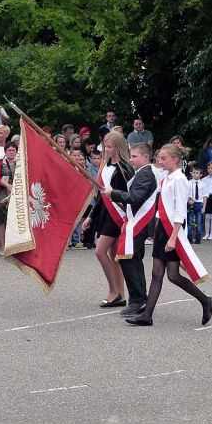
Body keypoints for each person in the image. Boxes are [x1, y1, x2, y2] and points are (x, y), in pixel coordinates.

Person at [125, 144, 212, 327]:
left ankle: (206, 300)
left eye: (164, 158)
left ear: (175, 160)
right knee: (157, 273)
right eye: (159, 158)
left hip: (172, 229)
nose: (160, 161)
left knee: (173, 275)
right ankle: (146, 316)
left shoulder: (180, 179)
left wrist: (173, 237)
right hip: (162, 229)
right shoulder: (167, 177)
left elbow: (180, 210)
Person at [102, 142, 157, 317]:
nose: (131, 159)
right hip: (135, 222)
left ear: (145, 157)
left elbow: (135, 197)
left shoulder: (146, 174)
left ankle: (137, 299)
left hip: (139, 223)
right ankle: (138, 298)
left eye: (134, 156)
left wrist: (114, 193)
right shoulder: (141, 173)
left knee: (130, 260)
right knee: (132, 261)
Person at [82, 132, 133, 310]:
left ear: (118, 147)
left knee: (100, 251)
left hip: (118, 214)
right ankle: (121, 295)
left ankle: (114, 291)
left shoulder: (126, 168)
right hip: (105, 213)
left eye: (109, 146)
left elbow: (129, 195)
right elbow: (100, 196)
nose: (106, 149)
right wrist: (91, 216)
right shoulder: (105, 166)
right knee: (114, 255)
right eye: (105, 146)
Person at [0, 141, 17, 255]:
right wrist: (7, 186)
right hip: (1, 193)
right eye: (9, 150)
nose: (11, 152)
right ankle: (1, 246)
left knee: (14, 220)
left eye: (13, 150)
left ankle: (12, 246)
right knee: (0, 220)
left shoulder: (20, 163)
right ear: (5, 151)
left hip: (16, 193)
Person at [187, 167, 207, 244]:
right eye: (194, 173)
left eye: (197, 173)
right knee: (190, 222)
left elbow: (205, 197)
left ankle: (198, 238)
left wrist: (204, 207)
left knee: (199, 222)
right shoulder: (188, 183)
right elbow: (186, 194)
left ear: (201, 175)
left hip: (199, 204)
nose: (195, 174)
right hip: (191, 203)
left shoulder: (203, 184)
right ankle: (189, 238)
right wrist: (189, 200)